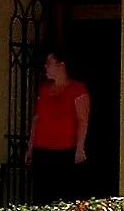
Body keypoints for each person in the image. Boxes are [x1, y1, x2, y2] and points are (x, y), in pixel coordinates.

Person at [27, 52, 90, 203]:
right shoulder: (44, 89)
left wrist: (80, 148)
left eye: (49, 63)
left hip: (64, 151)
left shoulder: (77, 89)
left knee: (63, 196)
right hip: (42, 149)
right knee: (41, 196)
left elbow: (82, 120)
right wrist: (30, 147)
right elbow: (37, 119)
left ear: (61, 65)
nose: (45, 67)